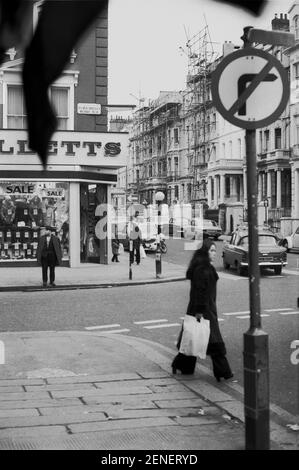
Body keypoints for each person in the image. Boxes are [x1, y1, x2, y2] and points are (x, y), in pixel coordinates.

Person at [172, 238, 233, 381]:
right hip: (203, 310)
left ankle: (182, 365)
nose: (214, 253)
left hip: (202, 309)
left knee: (193, 338)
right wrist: (199, 311)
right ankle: (223, 372)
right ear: (205, 251)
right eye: (211, 250)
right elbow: (200, 292)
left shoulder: (203, 267)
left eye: (215, 251)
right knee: (214, 341)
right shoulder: (202, 269)